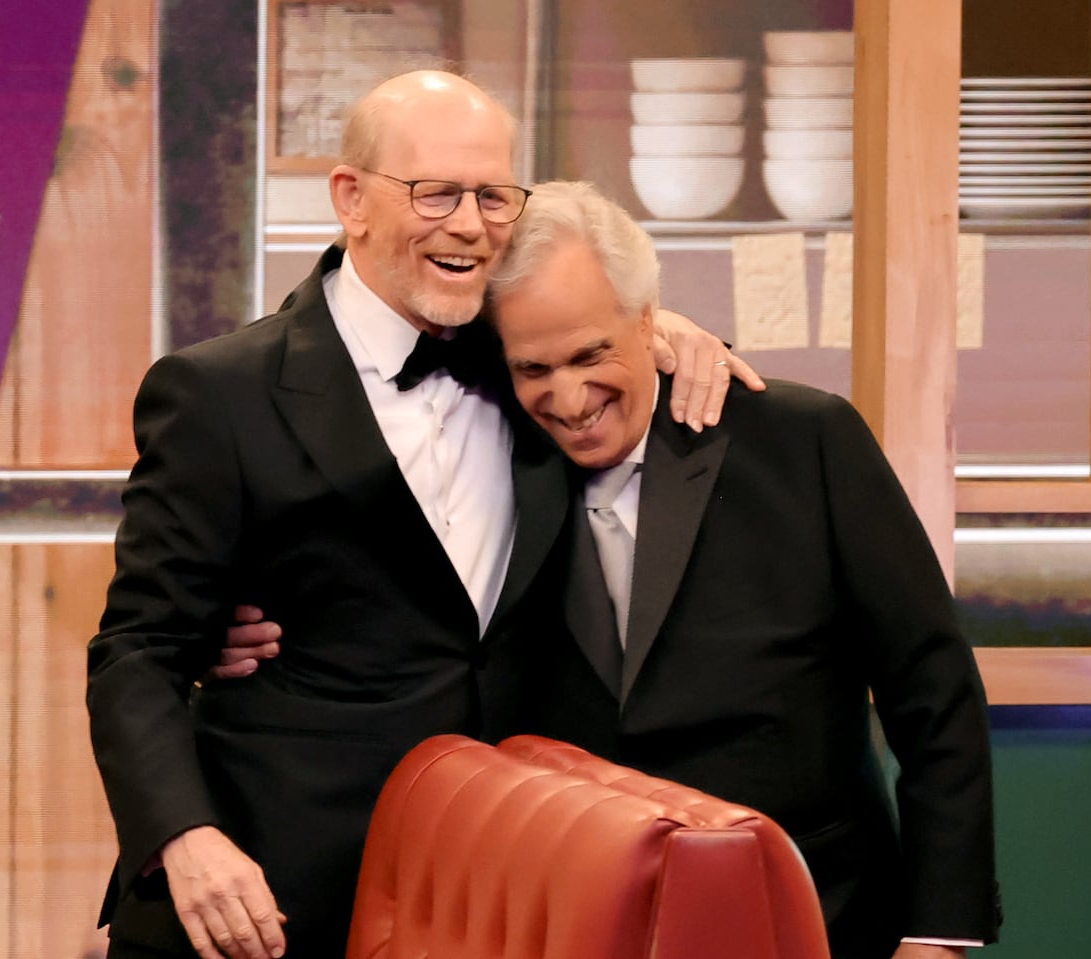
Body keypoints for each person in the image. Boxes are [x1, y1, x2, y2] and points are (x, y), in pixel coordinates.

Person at [86, 72, 760, 959]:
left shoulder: (538, 370)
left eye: (492, 196)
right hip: (271, 893)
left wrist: (661, 326)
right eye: (436, 193)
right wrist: (185, 838)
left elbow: (599, 331)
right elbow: (138, 651)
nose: (471, 224)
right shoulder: (220, 392)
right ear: (351, 199)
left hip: (499, 896)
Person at [485, 181, 1001, 959]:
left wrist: (937, 935)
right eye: (534, 368)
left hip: (821, 913)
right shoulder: (488, 461)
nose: (567, 397)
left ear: (651, 321)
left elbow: (934, 692)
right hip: (588, 927)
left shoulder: (803, 439)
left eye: (592, 354)